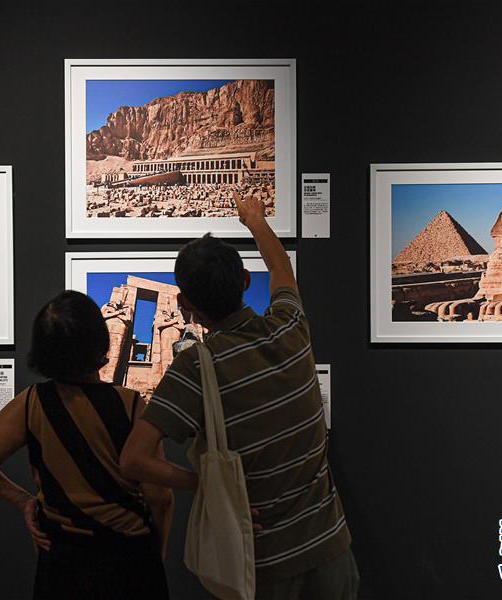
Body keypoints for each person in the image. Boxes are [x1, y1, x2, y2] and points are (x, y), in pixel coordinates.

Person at [120, 196, 359, 599]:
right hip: (331, 549)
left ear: (185, 304)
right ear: (245, 281)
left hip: (261, 565)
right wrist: (254, 219)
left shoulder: (196, 368)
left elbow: (133, 459)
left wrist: (209, 486)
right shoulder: (289, 325)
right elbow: (281, 270)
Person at [0, 291, 173, 600]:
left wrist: (25, 501)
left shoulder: (32, 403)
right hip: (128, 555)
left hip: (63, 558)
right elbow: (160, 497)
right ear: (100, 341)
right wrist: (157, 549)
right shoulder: (130, 404)